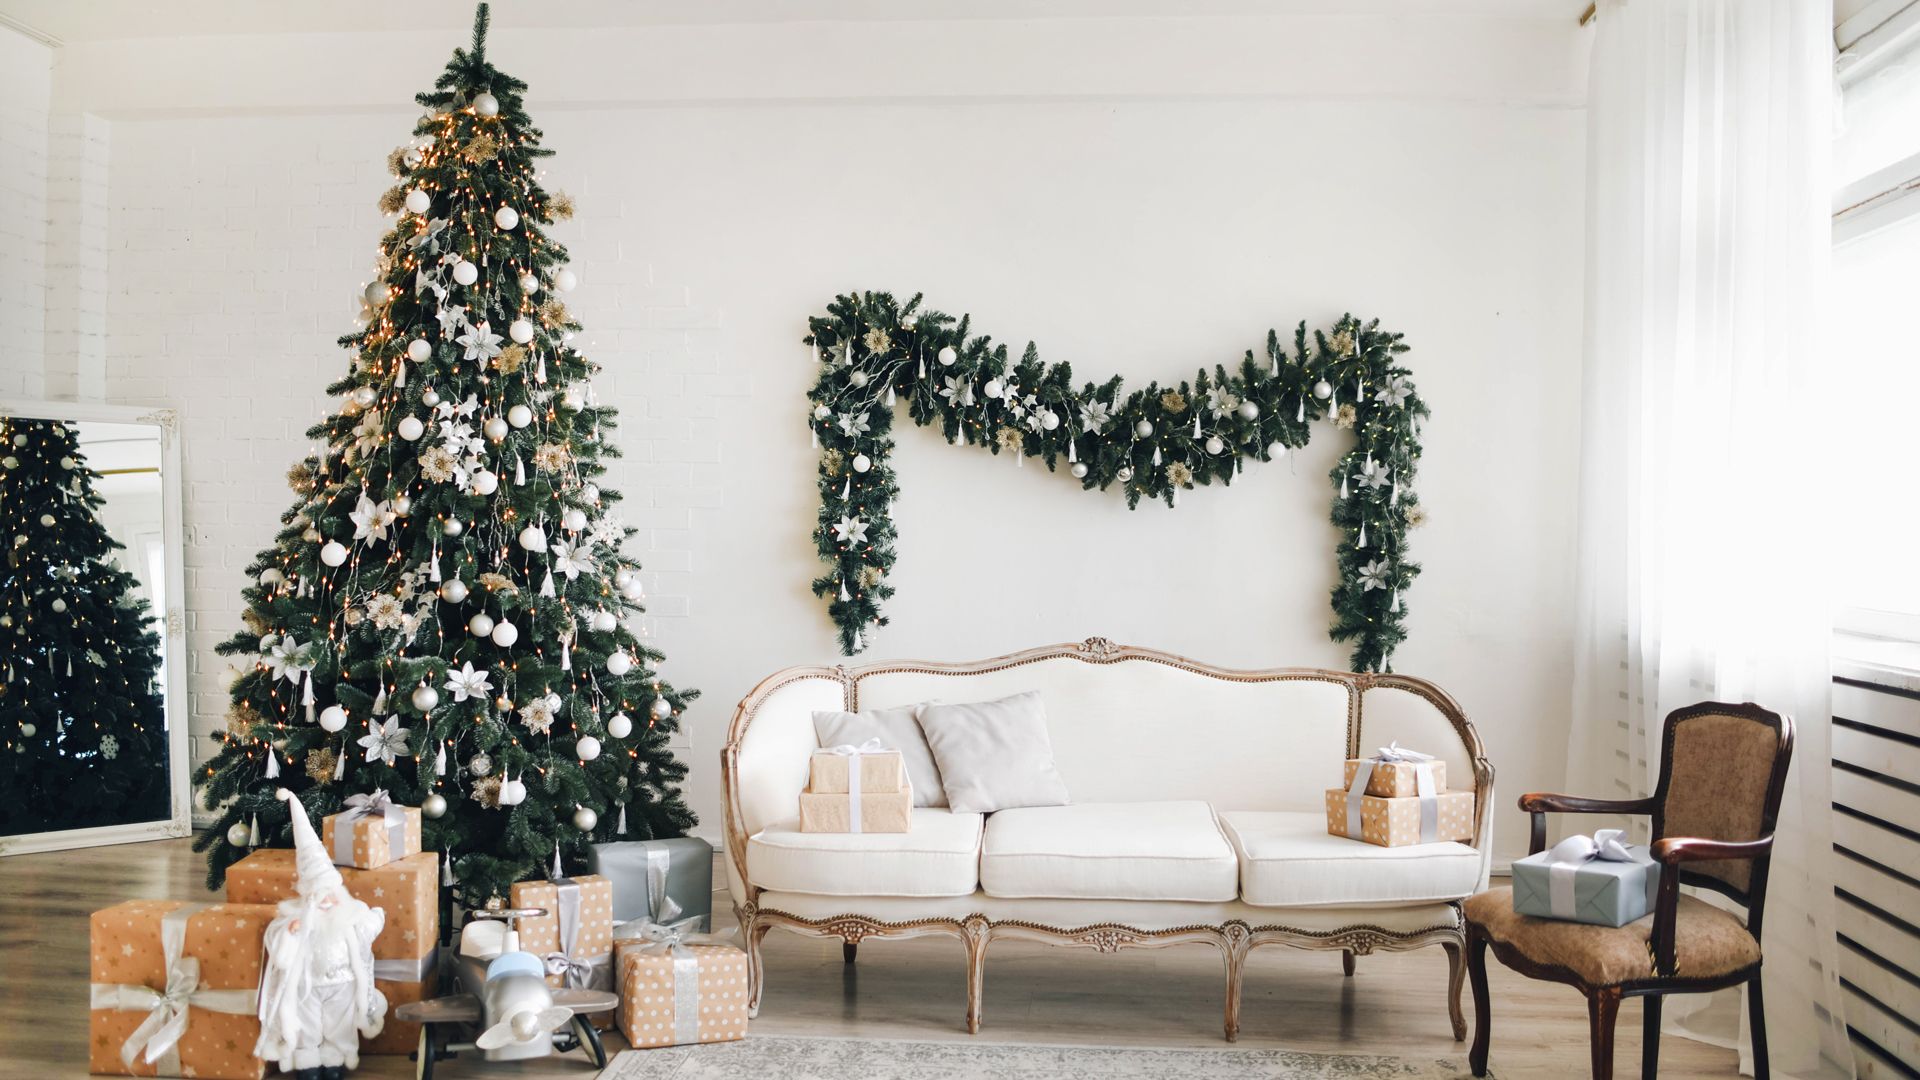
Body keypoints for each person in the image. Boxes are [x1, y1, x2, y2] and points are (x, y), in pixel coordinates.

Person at [255, 788, 388, 1080]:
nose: (326, 901)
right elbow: (280, 953)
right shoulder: (297, 919)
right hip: (308, 985)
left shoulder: (350, 915)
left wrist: (373, 916)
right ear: (308, 898)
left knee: (339, 1023)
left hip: (343, 983)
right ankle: (308, 1061)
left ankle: (336, 1059)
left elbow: (369, 926)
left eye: (330, 895)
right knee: (308, 1022)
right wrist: (290, 933)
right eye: (318, 896)